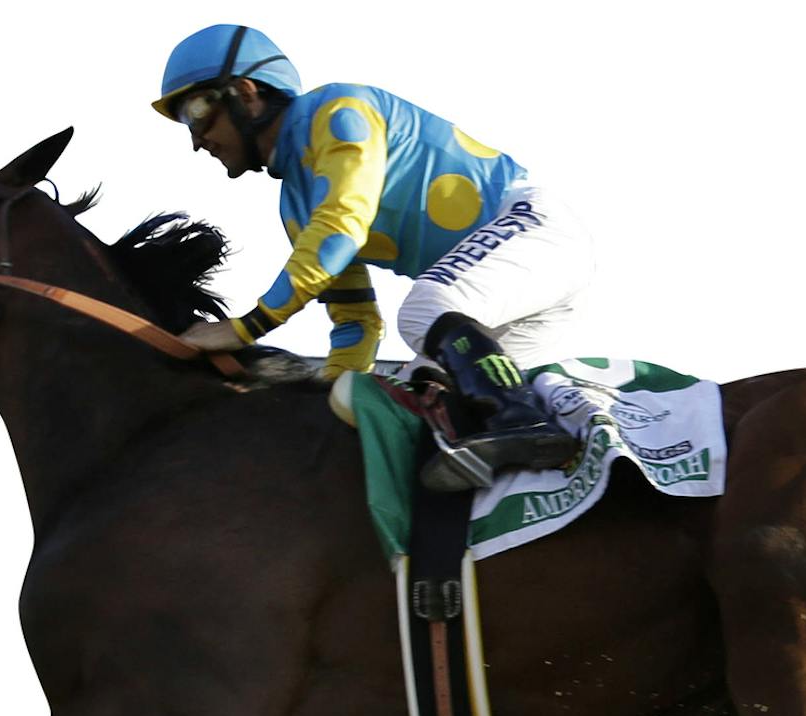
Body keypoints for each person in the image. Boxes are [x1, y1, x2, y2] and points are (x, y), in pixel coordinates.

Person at [157, 24, 591, 472]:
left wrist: (247, 327)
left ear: (246, 94)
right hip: (495, 302)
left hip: (532, 227)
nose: (196, 140)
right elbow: (355, 323)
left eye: (197, 110)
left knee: (423, 309)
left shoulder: (339, 111)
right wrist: (321, 406)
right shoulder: (295, 204)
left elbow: (342, 226)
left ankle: (521, 423)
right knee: (413, 397)